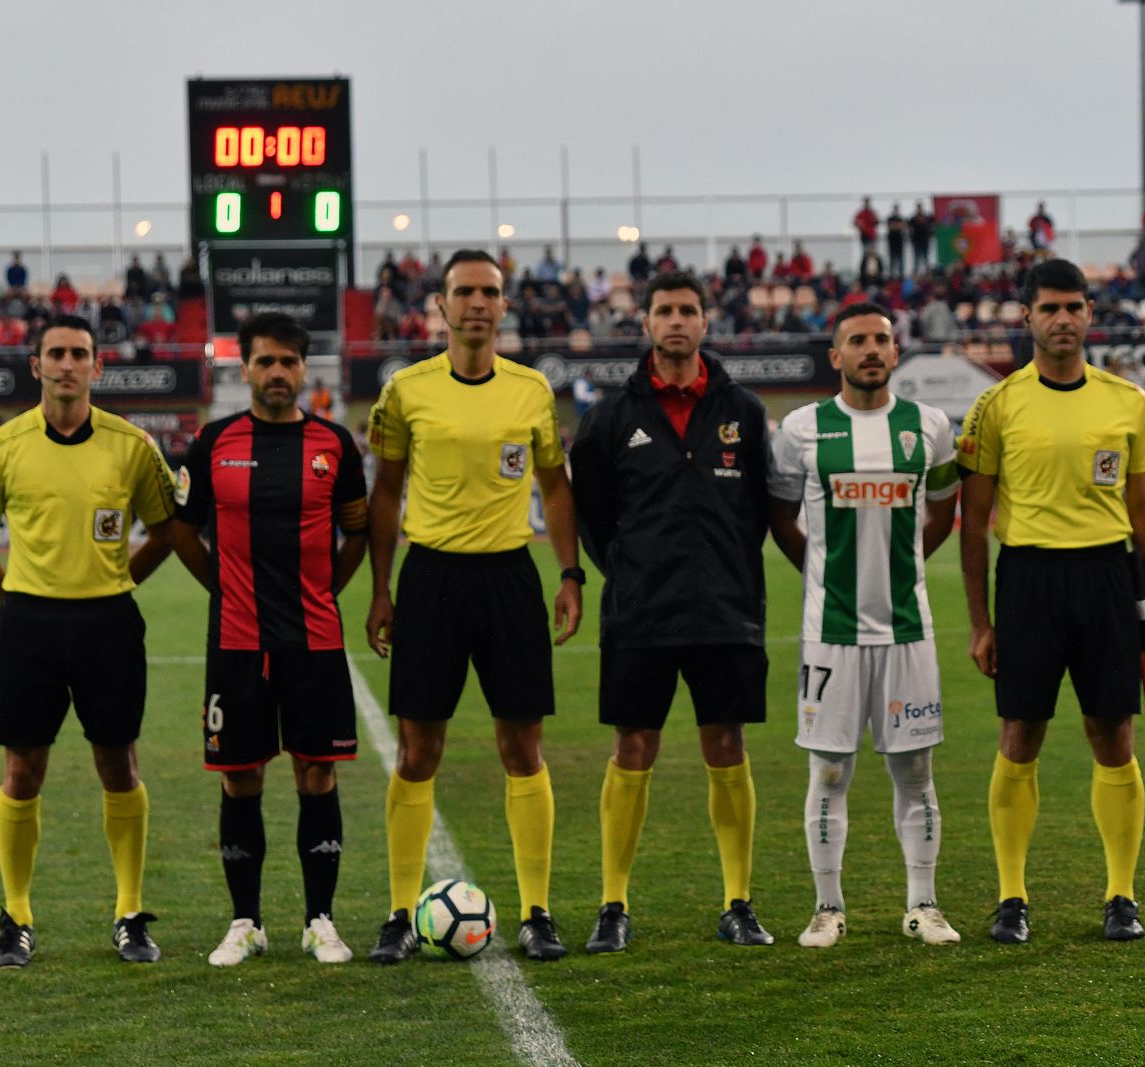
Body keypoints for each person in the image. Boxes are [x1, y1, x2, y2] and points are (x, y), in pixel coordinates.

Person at [365, 248, 583, 963]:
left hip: (510, 579)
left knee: (522, 748)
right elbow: (387, 491)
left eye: (490, 291)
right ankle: (400, 913)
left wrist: (570, 572)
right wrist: (381, 586)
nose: (478, 303)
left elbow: (554, 485)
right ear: (441, 305)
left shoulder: (531, 390)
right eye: (465, 292)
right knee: (417, 750)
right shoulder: (406, 391)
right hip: (430, 579)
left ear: (505, 304)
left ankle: (537, 911)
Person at [955, 258, 1145, 944]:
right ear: (1026, 317)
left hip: (1108, 580)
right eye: (1049, 308)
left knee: (1113, 734)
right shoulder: (997, 404)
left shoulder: (1126, 401)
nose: (1063, 319)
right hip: (1027, 580)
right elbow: (974, 521)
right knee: (1020, 735)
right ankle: (1012, 896)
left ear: (1090, 314)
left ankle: (1121, 895)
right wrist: (981, 621)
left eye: (1074, 306)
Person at [0, 313, 177, 968]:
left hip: (109, 622)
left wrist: (114, 582)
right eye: (55, 352)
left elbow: (164, 532)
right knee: (22, 770)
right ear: (36, 364)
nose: (67, 364)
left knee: (119, 763)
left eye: (80, 353)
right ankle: (17, 915)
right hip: (29, 624)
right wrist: (20, 600)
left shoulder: (134, 446)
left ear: (97, 366)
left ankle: (130, 912)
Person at [569, 269, 775, 953]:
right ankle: (613, 903)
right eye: (665, 310)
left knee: (727, 744)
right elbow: (595, 518)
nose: (677, 321)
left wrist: (727, 572)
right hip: (641, 612)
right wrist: (631, 571)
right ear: (646, 322)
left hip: (725, 610)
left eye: (689, 309)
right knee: (632, 747)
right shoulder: (610, 416)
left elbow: (757, 512)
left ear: (706, 321)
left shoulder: (742, 410)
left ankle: (738, 901)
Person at [165, 313, 370, 968]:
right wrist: (223, 589)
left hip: (313, 638)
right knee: (241, 777)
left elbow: (357, 532)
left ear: (304, 369)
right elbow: (181, 530)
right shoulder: (212, 442)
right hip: (237, 638)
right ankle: (245, 921)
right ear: (243, 368)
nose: (277, 372)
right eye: (265, 362)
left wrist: (324, 593)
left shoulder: (336, 444)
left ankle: (320, 921)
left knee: (317, 772)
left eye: (288, 361)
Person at [768, 302, 962, 950]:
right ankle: (828, 907)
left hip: (909, 632)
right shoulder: (802, 428)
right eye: (857, 340)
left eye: (881, 338)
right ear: (836, 355)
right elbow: (781, 516)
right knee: (828, 773)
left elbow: (942, 512)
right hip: (831, 634)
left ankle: (924, 904)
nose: (871, 349)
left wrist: (900, 568)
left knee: (915, 772)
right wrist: (825, 576)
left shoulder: (929, 426)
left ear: (896, 350)